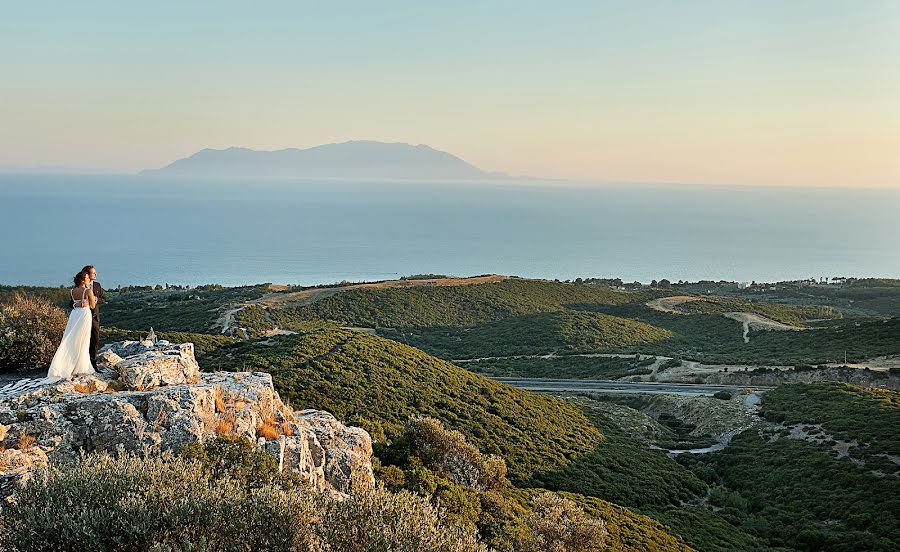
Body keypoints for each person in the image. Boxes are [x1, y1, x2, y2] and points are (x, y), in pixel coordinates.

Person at [48, 271, 97, 380]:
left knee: (71, 338)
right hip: (84, 314)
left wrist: (77, 304)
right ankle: (81, 367)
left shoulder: (72, 291)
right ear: (83, 280)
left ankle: (65, 365)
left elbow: (74, 304)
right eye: (87, 278)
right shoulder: (88, 291)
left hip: (75, 315)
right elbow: (93, 306)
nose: (89, 280)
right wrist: (90, 301)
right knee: (83, 340)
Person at [81, 265, 106, 367]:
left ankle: (93, 363)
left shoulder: (97, 285)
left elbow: (103, 299)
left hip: (94, 317)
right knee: (83, 340)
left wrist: (94, 299)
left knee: (95, 340)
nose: (95, 274)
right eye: (93, 273)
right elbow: (71, 302)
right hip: (82, 318)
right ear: (87, 274)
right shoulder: (79, 287)